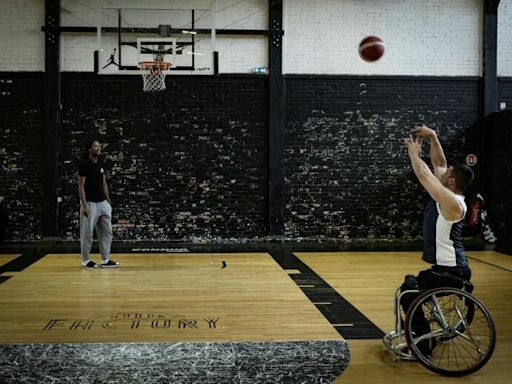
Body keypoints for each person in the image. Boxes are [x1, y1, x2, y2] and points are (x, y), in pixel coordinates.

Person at [401, 125, 474, 355]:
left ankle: (422, 347)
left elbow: (425, 175)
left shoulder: (452, 203)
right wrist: (433, 137)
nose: (441, 172)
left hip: (451, 272)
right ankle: (422, 334)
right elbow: (440, 163)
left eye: (446, 174)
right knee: (411, 285)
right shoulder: (451, 195)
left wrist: (414, 154)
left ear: (451, 182)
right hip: (445, 268)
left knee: (408, 296)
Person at [78, 140, 119, 268]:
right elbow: (81, 186)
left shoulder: (101, 164)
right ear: (90, 149)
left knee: (107, 232)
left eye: (99, 146)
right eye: (95, 146)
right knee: (87, 233)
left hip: (103, 203)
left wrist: (108, 200)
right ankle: (86, 260)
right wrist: (84, 205)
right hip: (90, 203)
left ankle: (105, 259)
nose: (98, 148)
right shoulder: (84, 165)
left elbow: (104, 183)